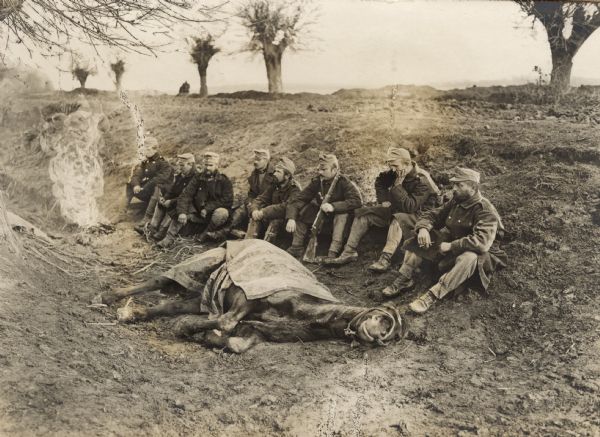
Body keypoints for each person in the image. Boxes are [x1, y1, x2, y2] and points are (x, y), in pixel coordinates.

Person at [380, 167, 507, 313]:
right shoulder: (457, 200)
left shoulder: (485, 209)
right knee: (421, 238)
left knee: (469, 257)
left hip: (482, 254)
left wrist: (451, 246)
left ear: (472, 187)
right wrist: (423, 229)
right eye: (454, 184)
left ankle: (432, 295)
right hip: (454, 244)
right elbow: (433, 214)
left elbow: (482, 243)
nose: (454, 189)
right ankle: (405, 277)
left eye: (459, 185)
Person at [325, 146, 439, 271]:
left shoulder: (422, 180)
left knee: (398, 219)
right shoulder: (397, 171)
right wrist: (384, 200)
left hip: (419, 215)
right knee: (363, 214)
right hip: (397, 209)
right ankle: (348, 252)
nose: (392, 169)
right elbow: (380, 181)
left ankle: (385, 258)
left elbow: (409, 207)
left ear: (407, 164)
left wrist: (397, 186)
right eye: (391, 166)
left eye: (395, 166)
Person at [286, 153, 362, 259]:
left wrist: (334, 207)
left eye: (324, 169)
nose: (320, 172)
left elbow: (357, 201)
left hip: (339, 220)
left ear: (334, 170)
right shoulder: (318, 181)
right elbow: (299, 199)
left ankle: (333, 252)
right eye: (319, 169)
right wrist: (291, 217)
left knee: (341, 216)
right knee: (304, 209)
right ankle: (296, 247)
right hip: (322, 216)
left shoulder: (344, 182)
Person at [156, 151, 233, 248]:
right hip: (198, 212)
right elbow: (186, 195)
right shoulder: (198, 178)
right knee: (181, 211)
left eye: (211, 165)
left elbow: (227, 200)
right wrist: (182, 213)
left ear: (217, 165)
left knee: (222, 212)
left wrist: (208, 208)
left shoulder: (224, 180)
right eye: (206, 165)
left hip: (213, 215)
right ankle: (168, 239)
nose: (208, 168)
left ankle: (205, 234)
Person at [208, 149, 275, 240]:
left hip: (268, 205)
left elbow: (274, 196)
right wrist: (249, 202)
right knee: (240, 211)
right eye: (255, 159)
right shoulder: (255, 174)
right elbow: (251, 193)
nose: (255, 162)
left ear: (266, 160)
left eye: (258, 160)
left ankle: (241, 236)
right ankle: (223, 232)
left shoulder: (275, 174)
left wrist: (256, 205)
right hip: (256, 203)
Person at [136, 153, 198, 239]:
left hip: (190, 205)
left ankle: (162, 232)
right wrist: (165, 198)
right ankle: (152, 229)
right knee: (160, 203)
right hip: (179, 200)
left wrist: (171, 201)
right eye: (179, 165)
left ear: (191, 165)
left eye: (182, 165)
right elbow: (172, 190)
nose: (180, 168)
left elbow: (189, 197)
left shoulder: (196, 178)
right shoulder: (181, 175)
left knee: (173, 207)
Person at [245, 157, 301, 242]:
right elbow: (260, 199)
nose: (274, 173)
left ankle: (267, 247)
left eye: (278, 172)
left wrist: (264, 212)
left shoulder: (295, 189)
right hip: (271, 216)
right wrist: (254, 210)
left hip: (287, 224)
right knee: (255, 217)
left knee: (275, 222)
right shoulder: (275, 185)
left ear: (287, 176)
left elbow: (285, 207)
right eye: (275, 171)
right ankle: (248, 243)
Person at [125, 136, 173, 212]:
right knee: (130, 183)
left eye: (148, 149)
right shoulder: (146, 162)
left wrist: (145, 187)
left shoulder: (163, 163)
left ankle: (149, 214)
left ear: (155, 149)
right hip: (149, 189)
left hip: (162, 192)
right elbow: (137, 175)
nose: (145, 151)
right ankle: (125, 207)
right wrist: (136, 185)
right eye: (144, 149)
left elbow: (159, 179)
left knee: (157, 187)